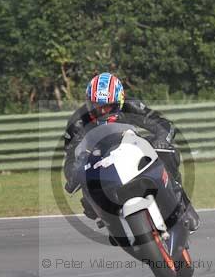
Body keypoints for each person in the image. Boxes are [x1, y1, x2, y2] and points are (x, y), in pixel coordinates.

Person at [63, 72, 200, 232]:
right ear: (88, 103)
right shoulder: (78, 121)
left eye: (108, 106)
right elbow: (70, 157)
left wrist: (161, 139)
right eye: (96, 107)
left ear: (119, 101)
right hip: (100, 163)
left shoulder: (131, 106)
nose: (102, 112)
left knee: (166, 152)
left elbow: (163, 124)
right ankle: (113, 224)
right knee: (87, 201)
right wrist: (74, 173)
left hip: (130, 149)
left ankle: (180, 202)